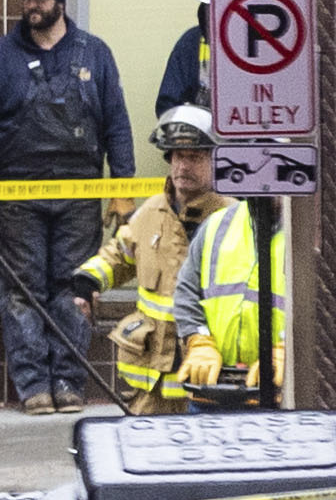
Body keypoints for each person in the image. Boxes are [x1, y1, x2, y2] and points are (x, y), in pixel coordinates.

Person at [0, 0, 134, 413]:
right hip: (16, 196)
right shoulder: (0, 57)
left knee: (73, 287)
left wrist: (121, 188)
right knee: (20, 288)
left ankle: (70, 382)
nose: (31, 5)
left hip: (79, 194)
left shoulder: (94, 54)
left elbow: (116, 123)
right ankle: (34, 385)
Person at [73, 104, 225, 408]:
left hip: (205, 379)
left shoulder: (231, 217)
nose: (183, 167)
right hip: (151, 384)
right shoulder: (152, 211)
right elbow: (121, 254)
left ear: (216, 161)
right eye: (178, 157)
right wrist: (87, 280)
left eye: (195, 158)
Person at [174, 189, 290, 407]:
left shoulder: (306, 234)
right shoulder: (217, 225)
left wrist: (288, 348)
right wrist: (199, 340)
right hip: (212, 393)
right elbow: (186, 291)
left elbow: (322, 307)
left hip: (276, 398)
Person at [155, 0, 255, 119]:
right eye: (217, 6)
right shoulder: (191, 43)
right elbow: (167, 108)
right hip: (204, 143)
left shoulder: (267, 48)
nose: (224, 14)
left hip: (255, 143)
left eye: (232, 6)